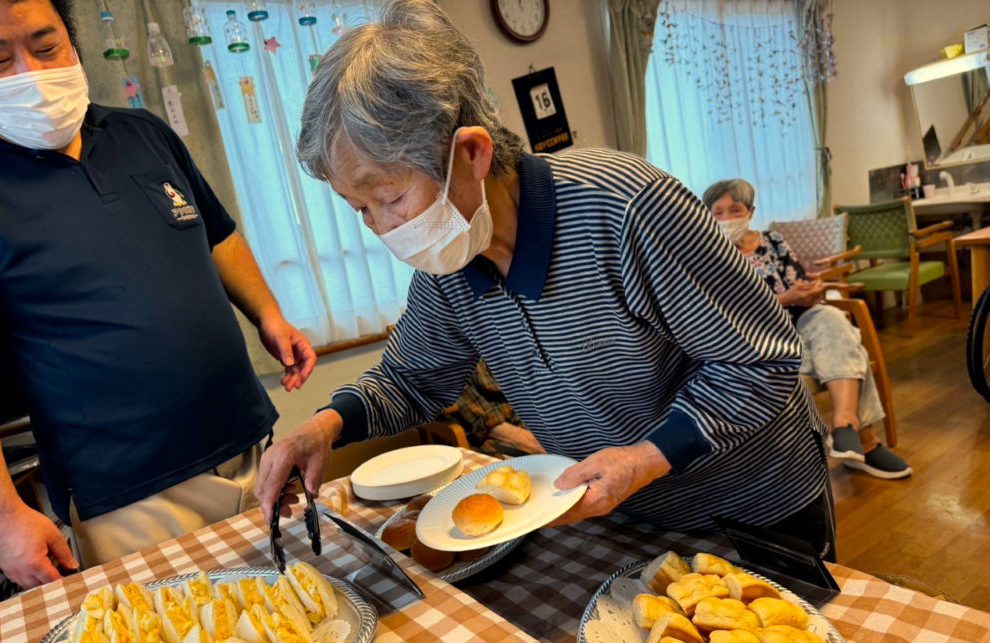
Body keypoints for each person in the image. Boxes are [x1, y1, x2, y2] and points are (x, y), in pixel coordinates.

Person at [257, 0, 837, 560]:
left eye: (390, 197)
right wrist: (323, 428)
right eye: (362, 210)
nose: (382, 228)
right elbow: (412, 379)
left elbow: (762, 361)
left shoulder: (624, 207)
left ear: (473, 153)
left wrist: (647, 457)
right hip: (624, 519)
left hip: (752, 505)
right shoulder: (450, 266)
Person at [0, 0, 317, 589]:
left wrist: (269, 313)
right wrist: (1, 513)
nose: (31, 74)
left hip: (244, 443)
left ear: (72, 40)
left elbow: (215, 233)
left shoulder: (143, 133)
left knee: (290, 620)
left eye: (46, 47)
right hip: (127, 494)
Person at [703, 178, 911, 480]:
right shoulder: (711, 256)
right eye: (717, 213)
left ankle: (843, 423)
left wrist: (811, 289)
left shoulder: (773, 240)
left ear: (750, 211)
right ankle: (865, 441)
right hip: (757, 340)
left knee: (833, 320)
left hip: (801, 324)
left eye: (734, 210)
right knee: (851, 350)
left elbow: (799, 281)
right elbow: (726, 313)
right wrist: (786, 298)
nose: (725, 219)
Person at [445, 360, 544, 459]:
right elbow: (489, 424)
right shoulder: (450, 363)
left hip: (526, 415)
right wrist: (538, 443)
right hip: (486, 436)